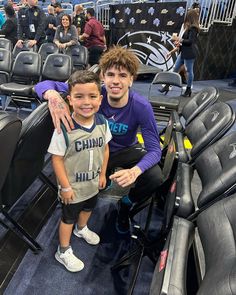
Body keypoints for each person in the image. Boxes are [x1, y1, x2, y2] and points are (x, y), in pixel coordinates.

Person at [35, 46, 163, 234]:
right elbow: (44, 85)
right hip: (93, 150)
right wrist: (52, 96)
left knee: (155, 177)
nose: (116, 81)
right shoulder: (93, 93)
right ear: (103, 76)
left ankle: (126, 204)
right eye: (110, 75)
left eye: (122, 75)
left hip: (123, 151)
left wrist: (135, 172)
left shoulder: (141, 106)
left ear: (131, 79)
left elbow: (155, 150)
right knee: (79, 186)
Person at [48, 70, 111, 272]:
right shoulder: (64, 128)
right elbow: (56, 159)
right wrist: (65, 187)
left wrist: (102, 174)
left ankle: (82, 229)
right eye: (79, 96)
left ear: (100, 99)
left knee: (88, 208)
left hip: (93, 183)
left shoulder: (102, 122)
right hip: (72, 187)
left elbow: (106, 148)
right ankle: (63, 250)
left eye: (92, 96)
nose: (86, 102)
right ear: (70, 100)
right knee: (68, 218)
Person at [160, 8, 200, 97]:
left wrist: (179, 39)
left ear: (190, 17)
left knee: (189, 71)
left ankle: (188, 89)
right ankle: (167, 86)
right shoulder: (188, 27)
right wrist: (180, 42)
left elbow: (190, 41)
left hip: (189, 53)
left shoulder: (194, 28)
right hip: (183, 52)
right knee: (175, 69)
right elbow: (185, 41)